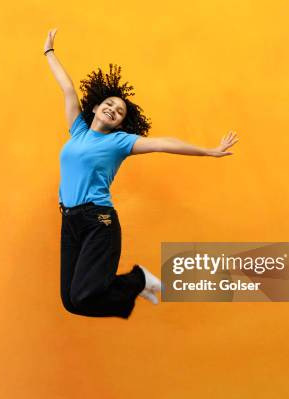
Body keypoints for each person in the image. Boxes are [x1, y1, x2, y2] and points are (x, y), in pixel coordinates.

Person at [44, 28, 239, 319]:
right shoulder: (78, 130)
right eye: (109, 104)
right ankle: (136, 286)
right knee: (72, 303)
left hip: (98, 220)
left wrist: (208, 150)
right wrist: (49, 52)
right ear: (96, 107)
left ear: (122, 124)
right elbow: (68, 89)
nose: (113, 109)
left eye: (120, 111)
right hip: (70, 220)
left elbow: (164, 143)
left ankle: (140, 279)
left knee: (84, 294)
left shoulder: (119, 142)